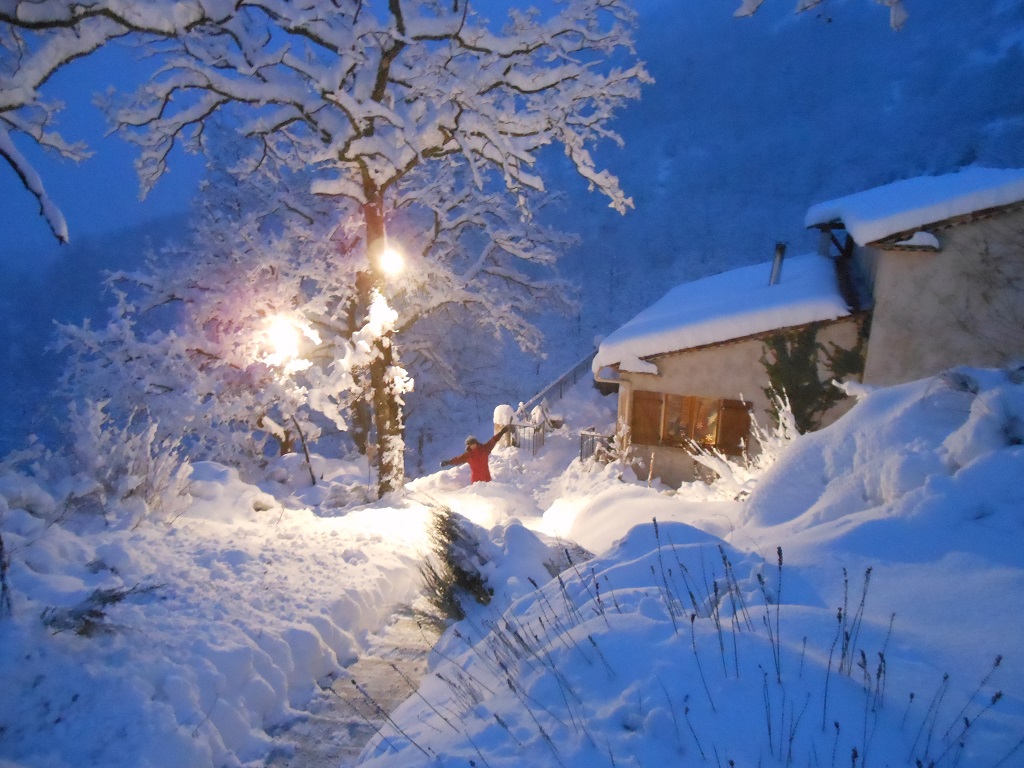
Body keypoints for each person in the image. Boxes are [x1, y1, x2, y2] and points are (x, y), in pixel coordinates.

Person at [440, 424, 511, 483]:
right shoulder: (468, 455)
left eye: (473, 443)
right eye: (470, 445)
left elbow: (493, 440)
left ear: (476, 443)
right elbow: (457, 460)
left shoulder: (485, 449)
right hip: (476, 482)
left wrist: (502, 432)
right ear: (468, 446)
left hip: (486, 479)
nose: (473, 446)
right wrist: (448, 462)